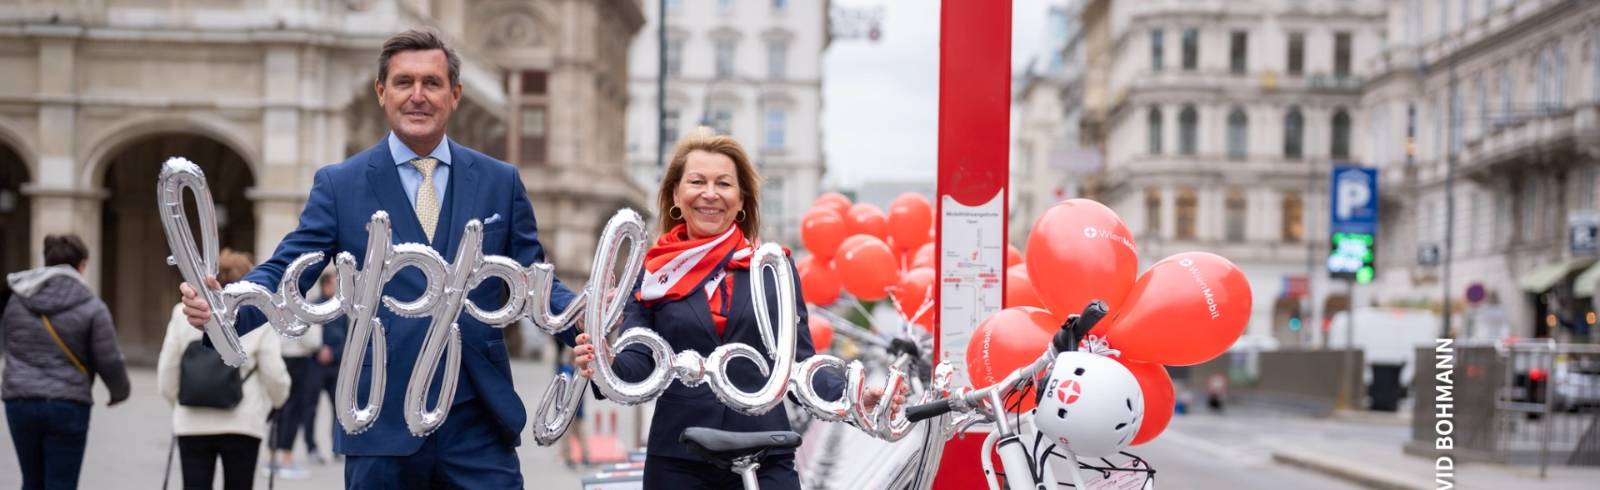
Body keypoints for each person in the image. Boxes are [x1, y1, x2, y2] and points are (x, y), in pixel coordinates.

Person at [177, 29, 575, 489]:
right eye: (404, 83)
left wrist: (593, 324)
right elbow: (288, 271)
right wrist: (224, 310)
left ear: (455, 94)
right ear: (382, 92)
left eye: (432, 83)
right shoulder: (340, 184)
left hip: (478, 420)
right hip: (378, 418)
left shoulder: (499, 181)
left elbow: (535, 281)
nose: (418, 96)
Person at [573, 128, 904, 489]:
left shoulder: (772, 268)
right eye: (697, 181)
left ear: (742, 199)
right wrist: (604, 362)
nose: (710, 194)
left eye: (724, 184)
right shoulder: (654, 274)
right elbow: (640, 357)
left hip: (765, 452)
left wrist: (853, 397)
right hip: (680, 458)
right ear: (676, 195)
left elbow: (797, 362)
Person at [2, 234, 131, 490]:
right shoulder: (93, 306)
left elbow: (10, 342)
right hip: (68, 403)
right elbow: (109, 358)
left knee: (31, 481)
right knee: (61, 483)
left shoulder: (16, 301)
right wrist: (119, 392)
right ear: (82, 265)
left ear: (46, 260)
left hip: (20, 401)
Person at [158, 249, 292, 490]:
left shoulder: (183, 314)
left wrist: (178, 402)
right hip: (243, 421)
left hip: (192, 420)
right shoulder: (257, 318)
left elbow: (167, 369)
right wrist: (278, 400)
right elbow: (274, 373)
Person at [267, 295, 321, 479]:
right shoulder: (301, 309)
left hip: (281, 357)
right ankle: (286, 459)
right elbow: (312, 341)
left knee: (279, 407)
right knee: (294, 410)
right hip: (299, 361)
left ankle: (271, 456)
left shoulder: (277, 305)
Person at [305, 272, 347, 464]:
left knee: (338, 408)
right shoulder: (313, 306)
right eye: (333, 284)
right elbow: (307, 333)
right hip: (316, 365)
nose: (336, 287)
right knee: (310, 407)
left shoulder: (342, 307)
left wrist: (335, 353)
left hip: (336, 365)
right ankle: (311, 446)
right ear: (324, 285)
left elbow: (347, 335)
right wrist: (319, 349)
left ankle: (336, 447)